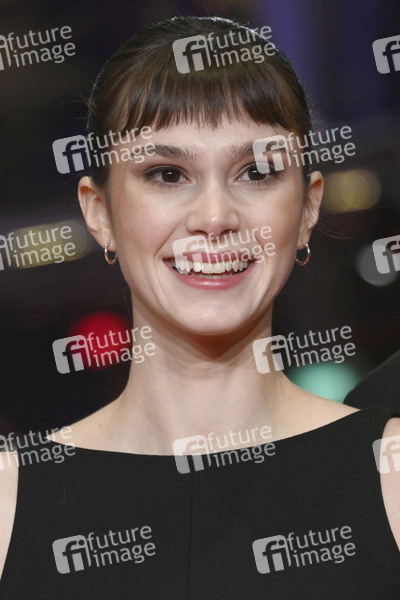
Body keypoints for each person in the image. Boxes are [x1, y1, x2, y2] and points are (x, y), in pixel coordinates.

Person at [1, 16, 400, 598]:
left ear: (308, 208)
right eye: (167, 174)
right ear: (99, 212)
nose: (214, 218)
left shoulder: (390, 475)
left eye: (256, 172)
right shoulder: (10, 502)